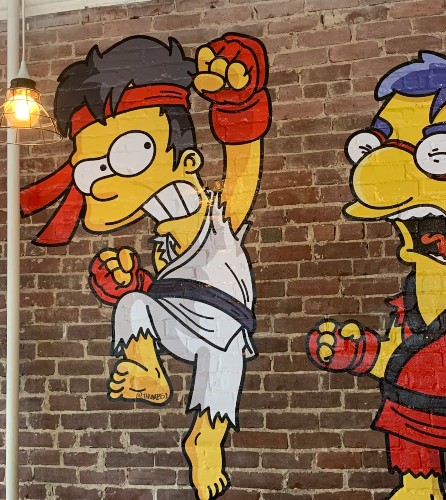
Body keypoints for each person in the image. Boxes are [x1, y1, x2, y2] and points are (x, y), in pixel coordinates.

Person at [21, 34, 271, 500]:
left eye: (127, 152)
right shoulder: (163, 234)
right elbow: (166, 283)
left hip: (224, 322)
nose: (101, 178)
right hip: (177, 317)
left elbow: (242, 169)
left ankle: (205, 440)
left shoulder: (213, 214)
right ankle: (144, 366)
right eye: (89, 165)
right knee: (133, 303)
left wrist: (237, 104)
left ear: (188, 160)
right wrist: (129, 281)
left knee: (224, 359)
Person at [307, 52, 446, 499]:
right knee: (415, 486)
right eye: (374, 144)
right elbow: (396, 355)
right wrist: (358, 354)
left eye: (437, 153)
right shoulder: (407, 303)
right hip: (407, 416)